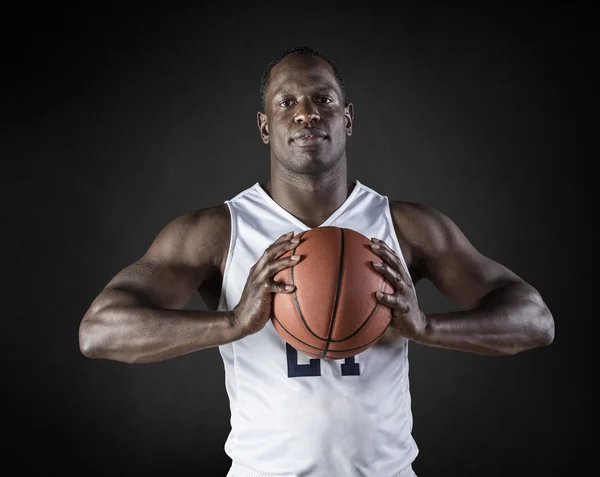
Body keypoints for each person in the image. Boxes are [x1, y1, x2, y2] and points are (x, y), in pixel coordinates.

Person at [79, 46, 555, 477]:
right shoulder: (217, 232)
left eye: (323, 100)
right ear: (265, 127)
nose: (307, 113)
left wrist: (428, 327)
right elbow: (100, 332)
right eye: (287, 102)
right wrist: (233, 322)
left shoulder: (408, 227)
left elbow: (535, 321)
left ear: (347, 119)